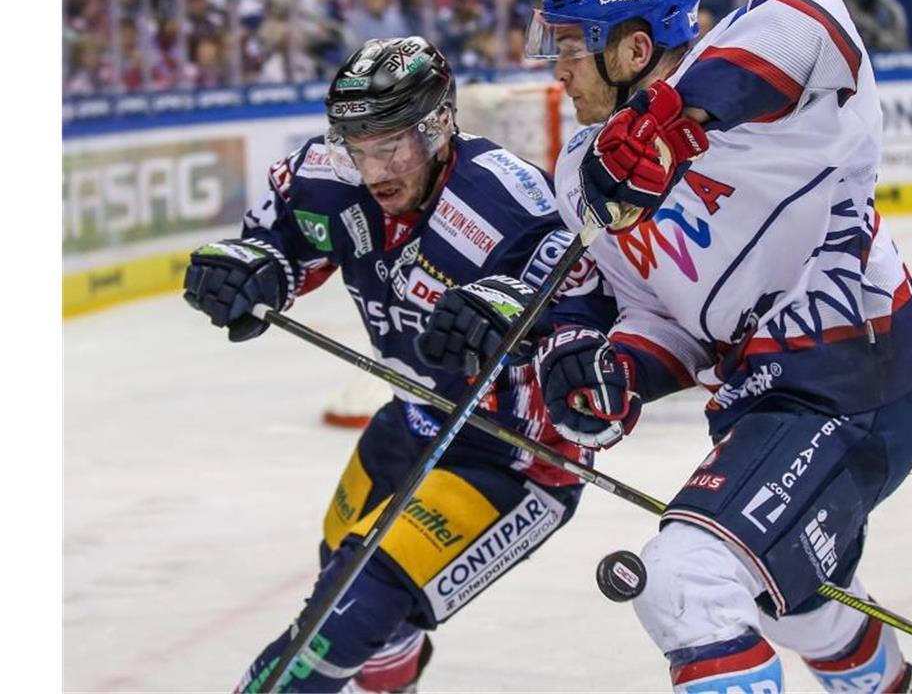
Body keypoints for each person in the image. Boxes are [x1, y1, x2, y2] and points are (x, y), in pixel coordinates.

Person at [418, 0, 912, 692]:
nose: (556, 66)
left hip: (857, 379)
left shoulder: (756, 60)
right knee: (795, 610)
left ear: (634, 48)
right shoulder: (585, 170)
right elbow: (660, 315)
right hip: (760, 406)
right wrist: (616, 371)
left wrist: (669, 118)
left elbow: (818, 23)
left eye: (569, 44)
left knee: (688, 585)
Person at [183, 36, 608, 693]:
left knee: (344, 614)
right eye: (358, 145)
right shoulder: (331, 179)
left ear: (437, 128)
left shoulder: (508, 202)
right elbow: (283, 243)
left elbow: (592, 319)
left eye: (390, 145)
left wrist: (517, 313)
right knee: (361, 601)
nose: (373, 166)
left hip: (513, 459)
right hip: (409, 424)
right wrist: (255, 273)